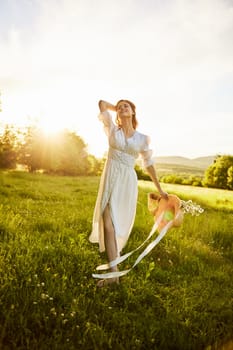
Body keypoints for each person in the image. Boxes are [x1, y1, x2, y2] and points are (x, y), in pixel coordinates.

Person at [89, 99, 168, 287]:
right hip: (110, 177)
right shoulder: (112, 129)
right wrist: (116, 108)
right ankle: (114, 273)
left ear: (133, 111)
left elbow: (149, 165)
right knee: (107, 222)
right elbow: (101, 103)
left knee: (117, 224)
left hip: (126, 182)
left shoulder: (142, 138)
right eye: (120, 106)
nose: (123, 107)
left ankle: (113, 272)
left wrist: (159, 188)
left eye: (127, 106)